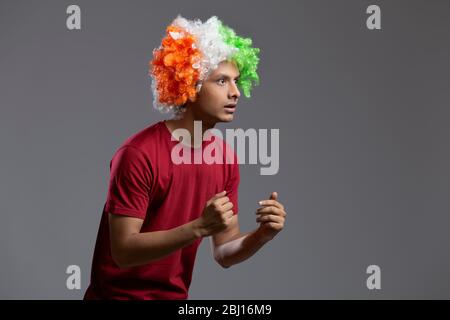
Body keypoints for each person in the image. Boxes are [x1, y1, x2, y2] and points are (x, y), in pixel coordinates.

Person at [84, 15, 287, 300]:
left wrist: (262, 235)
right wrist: (197, 227)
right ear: (190, 85)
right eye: (221, 81)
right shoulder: (138, 155)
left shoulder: (224, 159)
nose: (235, 92)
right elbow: (123, 252)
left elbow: (225, 252)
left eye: (236, 81)